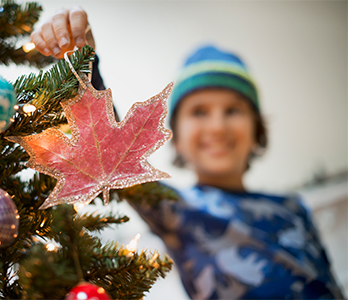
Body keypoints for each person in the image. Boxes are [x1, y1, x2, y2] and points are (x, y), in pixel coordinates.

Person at [31, 7, 344, 299]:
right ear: (175, 139)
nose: (217, 127)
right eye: (199, 112)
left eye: (233, 110)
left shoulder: (294, 209)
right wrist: (84, 61)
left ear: (257, 130)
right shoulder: (178, 210)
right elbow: (111, 155)